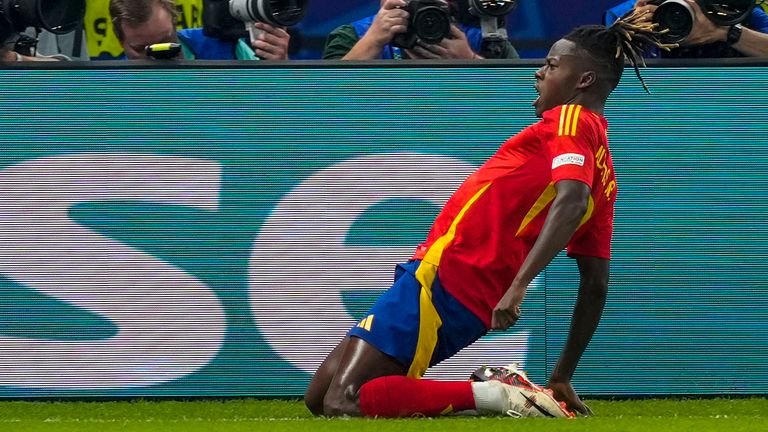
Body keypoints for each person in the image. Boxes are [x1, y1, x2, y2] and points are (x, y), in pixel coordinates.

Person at [305, 13, 670, 419]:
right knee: (320, 396)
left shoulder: (571, 119)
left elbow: (570, 200)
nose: (539, 73)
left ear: (583, 80)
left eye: (551, 66)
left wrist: (518, 285)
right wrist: (563, 374)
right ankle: (496, 393)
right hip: (467, 294)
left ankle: (498, 394)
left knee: (344, 400)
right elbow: (596, 283)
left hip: (450, 276)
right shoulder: (605, 175)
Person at [322, 0, 519, 60]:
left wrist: (470, 61)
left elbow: (524, 101)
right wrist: (372, 42)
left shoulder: (484, 43)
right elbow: (322, 100)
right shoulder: (354, 36)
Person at [110, 0, 290, 60]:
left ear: (175, 24)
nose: (158, 55)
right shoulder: (110, 91)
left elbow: (269, 102)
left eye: (165, 41)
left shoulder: (219, 46)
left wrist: (279, 68)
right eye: (141, 49)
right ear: (121, 42)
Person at [605, 0, 768, 57]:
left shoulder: (733, 11)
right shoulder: (628, 13)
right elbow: (603, 77)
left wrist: (725, 32)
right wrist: (631, 37)